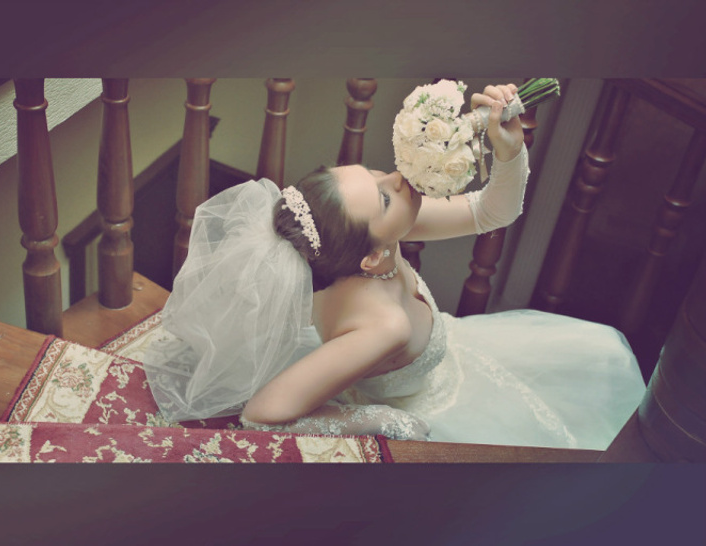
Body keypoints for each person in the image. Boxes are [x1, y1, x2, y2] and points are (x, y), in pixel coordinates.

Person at [143, 83, 647, 450]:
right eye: (383, 198)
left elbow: (491, 212)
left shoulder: (372, 241)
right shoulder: (383, 326)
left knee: (599, 360)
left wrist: (510, 151)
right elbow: (261, 416)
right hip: (442, 410)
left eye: (373, 175)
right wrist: (376, 420)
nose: (398, 178)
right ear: (371, 257)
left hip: (467, 357)